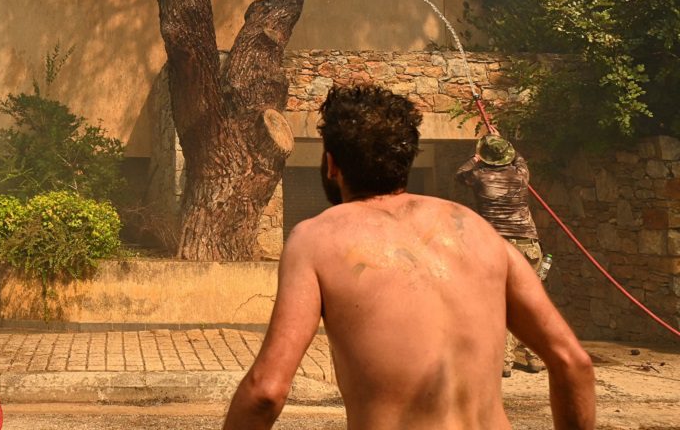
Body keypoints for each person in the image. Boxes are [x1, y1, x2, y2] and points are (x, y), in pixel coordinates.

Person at [223, 84, 594, 430]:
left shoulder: (317, 238)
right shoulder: (482, 234)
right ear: (405, 161)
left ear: (332, 165)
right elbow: (572, 363)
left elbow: (265, 392)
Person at [456, 132, 546, 376]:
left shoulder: (479, 177)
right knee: (529, 301)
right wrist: (503, 141)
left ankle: (504, 362)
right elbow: (519, 158)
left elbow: (460, 173)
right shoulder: (520, 175)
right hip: (528, 244)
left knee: (500, 302)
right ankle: (534, 357)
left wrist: (477, 157)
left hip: (496, 245)